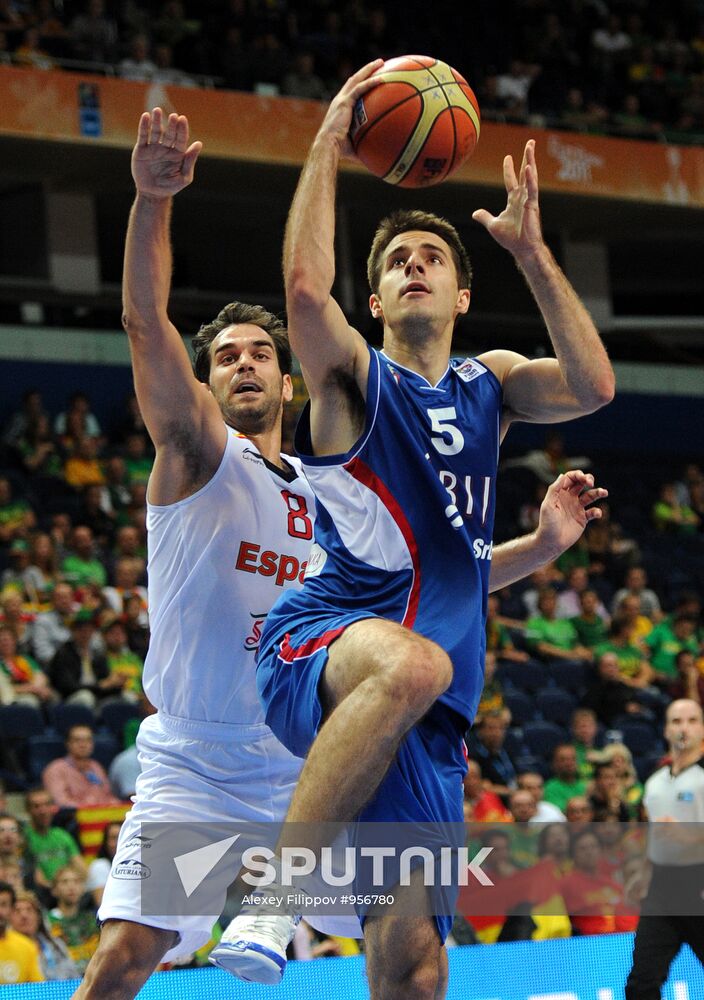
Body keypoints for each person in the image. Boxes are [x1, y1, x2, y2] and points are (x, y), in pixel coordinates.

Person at [213, 61, 614, 994]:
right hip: (323, 645)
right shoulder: (356, 383)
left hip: (429, 715)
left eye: (433, 256)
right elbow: (305, 294)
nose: (416, 265)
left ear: (462, 298)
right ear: (379, 302)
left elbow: (593, 387)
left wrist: (530, 251)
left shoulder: (492, 386)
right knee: (414, 661)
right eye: (397, 262)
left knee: (416, 967)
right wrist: (328, 137)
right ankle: (274, 900)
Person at [625, 699, 704, 998]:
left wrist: (689, 837)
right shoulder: (655, 783)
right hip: (662, 888)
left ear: (702, 728)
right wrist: (644, 873)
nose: (684, 727)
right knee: (641, 982)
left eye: (692, 720)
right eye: (676, 721)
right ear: (665, 730)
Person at [42, 725, 120, 810]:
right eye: (77, 740)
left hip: (102, 816)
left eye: (88, 740)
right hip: (73, 819)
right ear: (68, 744)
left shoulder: (96, 766)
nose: (83, 745)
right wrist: (89, 809)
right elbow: (61, 803)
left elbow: (108, 795)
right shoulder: (55, 769)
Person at [12, 888, 80, 981]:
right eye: (17, 911)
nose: (24, 915)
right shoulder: (4, 948)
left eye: (29, 910)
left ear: (38, 916)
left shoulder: (56, 945)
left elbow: (73, 977)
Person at [0, 881, 44, 984]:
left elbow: (38, 989)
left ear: (11, 909)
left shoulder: (27, 946)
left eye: (4, 905)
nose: (0, 912)